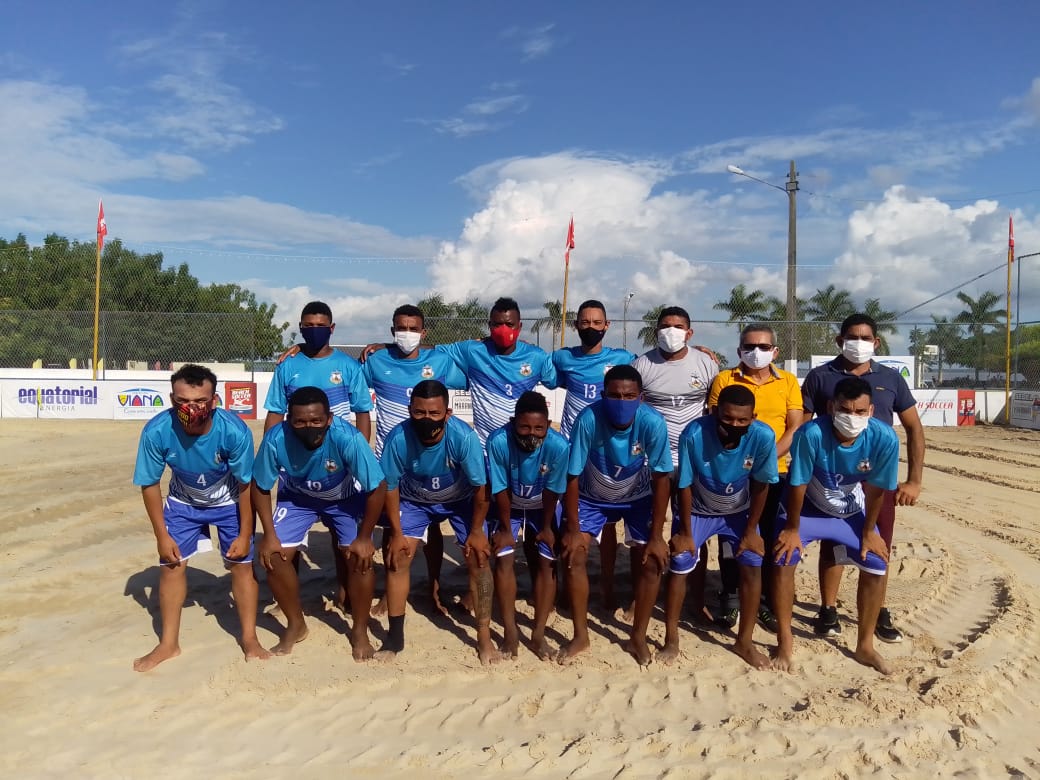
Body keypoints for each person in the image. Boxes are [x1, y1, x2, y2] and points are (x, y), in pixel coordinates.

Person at [132, 364, 269, 671]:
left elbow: (247, 484)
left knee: (242, 568)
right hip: (183, 502)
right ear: (171, 399)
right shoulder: (157, 431)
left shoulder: (234, 430)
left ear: (215, 400)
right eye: (182, 401)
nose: (191, 408)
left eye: (199, 401)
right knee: (171, 566)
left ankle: (249, 638)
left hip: (230, 501)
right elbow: (149, 484)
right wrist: (161, 536)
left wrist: (246, 533)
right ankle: (168, 643)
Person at [801, 313, 924, 643]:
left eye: (866, 338)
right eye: (852, 337)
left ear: (876, 342)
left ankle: (877, 610)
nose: (859, 343)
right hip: (833, 474)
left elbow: (914, 428)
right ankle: (828, 609)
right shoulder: (819, 376)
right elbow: (803, 426)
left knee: (879, 545)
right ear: (839, 341)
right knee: (833, 544)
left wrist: (913, 480)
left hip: (877, 477)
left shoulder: (891, 378)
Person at [773, 377, 900, 674]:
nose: (851, 417)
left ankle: (865, 646)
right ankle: (785, 641)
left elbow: (877, 489)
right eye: (844, 409)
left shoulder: (884, 438)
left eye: (859, 412)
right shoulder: (810, 433)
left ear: (870, 411)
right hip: (805, 510)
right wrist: (792, 529)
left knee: (877, 563)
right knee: (783, 557)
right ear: (831, 407)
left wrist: (869, 532)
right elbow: (798, 482)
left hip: (849, 512)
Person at [251, 386, 387, 659]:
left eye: (315, 421)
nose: (308, 427)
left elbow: (378, 486)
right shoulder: (276, 438)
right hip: (297, 499)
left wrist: (364, 538)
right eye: (300, 421)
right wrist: (268, 534)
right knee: (273, 555)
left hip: (344, 499)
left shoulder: (347, 437)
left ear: (329, 419)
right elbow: (260, 486)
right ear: (289, 419)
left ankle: (359, 630)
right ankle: (296, 624)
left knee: (360, 557)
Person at [378, 380, 498, 664]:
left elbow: (481, 488)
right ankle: (395, 637)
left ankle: (483, 636)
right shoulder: (398, 439)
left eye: (434, 413)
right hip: (415, 501)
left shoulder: (463, 438)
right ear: (409, 411)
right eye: (419, 413)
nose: (426, 419)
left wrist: (478, 530)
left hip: (460, 501)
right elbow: (390, 487)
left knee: (479, 558)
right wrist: (396, 533)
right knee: (397, 557)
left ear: (448, 413)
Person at [264, 301, 374, 611]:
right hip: (297, 464)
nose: (314, 331)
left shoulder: (348, 366)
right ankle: (288, 599)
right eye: (308, 326)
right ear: (300, 328)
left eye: (320, 325)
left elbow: (362, 412)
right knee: (287, 547)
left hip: (338, 462)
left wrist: (357, 455)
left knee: (345, 541)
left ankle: (346, 591)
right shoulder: (288, 365)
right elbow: (275, 412)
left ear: (332, 328)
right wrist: (272, 454)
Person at [560, 364, 673, 666]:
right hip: (592, 498)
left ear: (641, 397)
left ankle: (637, 635)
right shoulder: (588, 419)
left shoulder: (652, 423)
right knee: (574, 554)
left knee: (653, 560)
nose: (621, 401)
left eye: (629, 396)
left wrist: (658, 535)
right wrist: (572, 528)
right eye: (614, 395)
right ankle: (580, 635)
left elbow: (662, 477)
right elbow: (571, 475)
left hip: (637, 498)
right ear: (602, 394)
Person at [660, 385, 778, 669]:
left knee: (752, 563)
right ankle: (671, 638)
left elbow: (762, 484)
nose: (734, 425)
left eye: (742, 420)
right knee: (680, 562)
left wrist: (751, 530)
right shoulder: (695, 434)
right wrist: (686, 532)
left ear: (753, 417)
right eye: (727, 419)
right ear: (714, 413)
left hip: (738, 513)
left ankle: (744, 642)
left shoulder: (763, 436)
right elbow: (684, 484)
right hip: (697, 511)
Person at [361, 304, 468, 613]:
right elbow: (346, 376)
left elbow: (477, 373)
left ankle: (435, 586)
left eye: (412, 328)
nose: (406, 334)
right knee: (391, 528)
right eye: (400, 328)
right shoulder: (376, 360)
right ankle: (387, 592)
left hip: (429, 457)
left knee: (433, 526)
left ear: (424, 332)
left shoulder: (440, 361)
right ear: (392, 330)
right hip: (390, 459)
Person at [708, 324, 802, 632]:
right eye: (749, 346)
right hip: (733, 473)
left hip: (778, 471)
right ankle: (731, 596)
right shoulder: (724, 379)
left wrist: (766, 458)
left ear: (775, 351)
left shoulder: (788, 382)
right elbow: (716, 423)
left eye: (763, 347)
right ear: (739, 351)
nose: (756, 352)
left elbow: (794, 427)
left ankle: (763, 600)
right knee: (730, 535)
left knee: (769, 534)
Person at [367, 297, 557, 447]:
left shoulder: (537, 356)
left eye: (509, 325)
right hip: (484, 448)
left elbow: (559, 379)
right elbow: (431, 347)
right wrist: (390, 345)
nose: (503, 330)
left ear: (520, 327)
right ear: (489, 326)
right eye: (497, 325)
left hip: (521, 445)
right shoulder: (471, 350)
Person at [632, 305, 719, 621]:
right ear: (656, 331)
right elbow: (634, 412)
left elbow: (714, 410)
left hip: (693, 462)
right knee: (648, 530)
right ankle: (640, 597)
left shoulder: (706, 364)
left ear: (690, 332)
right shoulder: (642, 365)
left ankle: (696, 600)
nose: (672, 331)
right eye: (665, 326)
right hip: (652, 463)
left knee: (691, 527)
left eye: (678, 326)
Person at [552, 299, 637, 610]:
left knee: (609, 523)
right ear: (576, 326)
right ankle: (564, 584)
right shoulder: (562, 359)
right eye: (584, 323)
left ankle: (608, 584)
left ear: (606, 325)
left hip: (607, 453)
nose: (590, 327)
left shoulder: (623, 358)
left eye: (596, 322)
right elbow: (541, 372)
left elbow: (652, 370)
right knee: (568, 521)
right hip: (573, 451)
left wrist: (704, 352)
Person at [486, 392, 570, 660]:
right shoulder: (498, 441)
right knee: (504, 559)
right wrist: (505, 529)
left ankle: (538, 633)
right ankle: (510, 631)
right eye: (524, 427)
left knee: (547, 561)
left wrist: (546, 527)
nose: (531, 434)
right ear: (513, 422)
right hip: (507, 503)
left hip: (541, 506)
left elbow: (554, 491)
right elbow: (499, 488)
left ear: (548, 426)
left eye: (539, 429)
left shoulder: (558, 446)